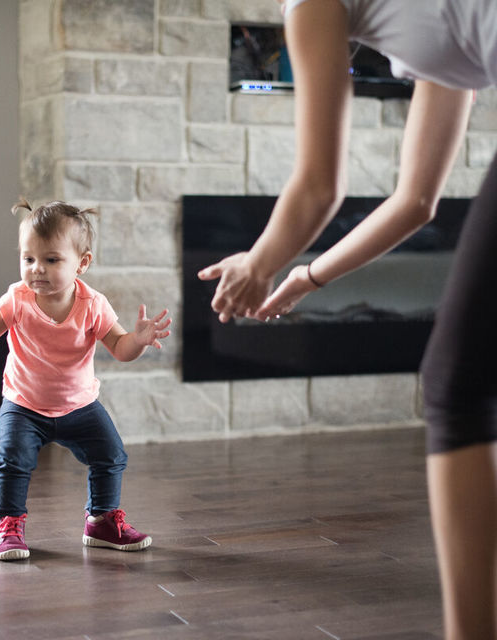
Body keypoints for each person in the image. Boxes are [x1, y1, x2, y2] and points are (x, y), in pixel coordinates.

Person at [198, 1, 497, 638]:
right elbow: (415, 200)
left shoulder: (311, 4)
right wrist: (307, 275)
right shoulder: (441, 36)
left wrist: (260, 262)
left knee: (456, 384)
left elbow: (316, 184)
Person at [0, 199, 171, 561]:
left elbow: (120, 348)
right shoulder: (18, 299)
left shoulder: (93, 304)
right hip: (24, 405)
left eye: (51, 260)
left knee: (111, 456)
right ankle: (9, 524)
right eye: (28, 259)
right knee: (12, 459)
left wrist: (137, 340)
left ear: (83, 263)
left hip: (80, 406)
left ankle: (102, 521)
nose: (36, 269)